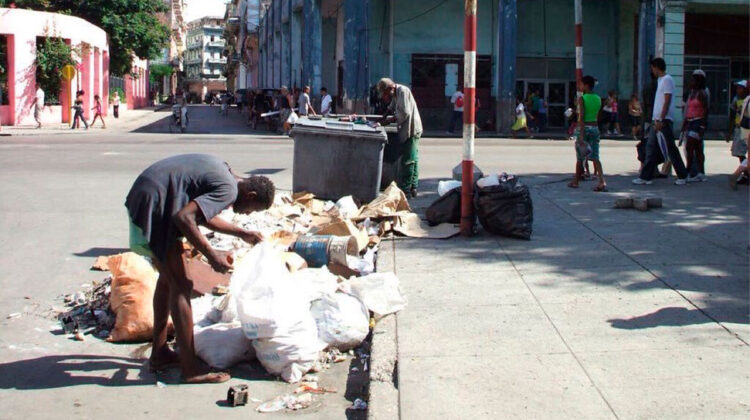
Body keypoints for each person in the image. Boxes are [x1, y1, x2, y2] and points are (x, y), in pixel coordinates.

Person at [125, 154, 274, 384]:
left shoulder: (228, 175)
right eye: (252, 210)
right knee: (182, 284)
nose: (247, 214)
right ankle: (190, 369)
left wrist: (241, 233)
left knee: (169, 279)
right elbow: (185, 218)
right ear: (251, 195)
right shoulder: (229, 191)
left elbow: (199, 215)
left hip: (151, 192)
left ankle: (160, 352)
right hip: (155, 201)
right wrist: (212, 255)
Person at [633, 58, 688, 185]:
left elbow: (667, 101)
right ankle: (645, 177)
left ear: (657, 67)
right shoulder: (660, 80)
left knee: (670, 148)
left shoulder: (667, 79)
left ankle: (682, 175)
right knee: (650, 147)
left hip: (663, 121)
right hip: (656, 120)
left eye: (652, 67)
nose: (652, 70)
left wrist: (661, 119)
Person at [376, 77, 423, 198]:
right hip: (406, 128)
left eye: (386, 93)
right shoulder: (395, 94)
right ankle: (413, 187)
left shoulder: (403, 91)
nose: (386, 96)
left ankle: (406, 189)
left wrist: (389, 120)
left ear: (391, 88)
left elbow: (404, 113)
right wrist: (382, 118)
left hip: (411, 128)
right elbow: (391, 107)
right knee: (413, 158)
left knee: (408, 160)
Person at [569, 75, 607, 191]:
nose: (579, 86)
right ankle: (602, 181)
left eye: (581, 84)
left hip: (585, 128)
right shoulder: (598, 98)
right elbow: (597, 114)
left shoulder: (582, 98)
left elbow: (582, 117)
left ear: (586, 85)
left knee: (580, 157)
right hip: (595, 127)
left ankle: (575, 181)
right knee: (595, 156)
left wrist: (580, 135)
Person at [681, 73, 708, 182]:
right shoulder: (692, 93)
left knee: (690, 148)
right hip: (690, 122)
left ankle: (688, 172)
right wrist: (684, 124)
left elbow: (706, 110)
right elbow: (688, 110)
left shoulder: (701, 94)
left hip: (697, 122)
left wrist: (702, 126)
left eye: (692, 81)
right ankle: (700, 173)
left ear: (698, 82)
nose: (690, 83)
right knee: (696, 148)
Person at [728, 80, 748, 184]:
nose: (738, 90)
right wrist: (729, 131)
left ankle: (745, 174)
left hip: (746, 129)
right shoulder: (736, 99)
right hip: (738, 128)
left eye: (740, 88)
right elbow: (732, 115)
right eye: (737, 88)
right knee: (739, 152)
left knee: (741, 152)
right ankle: (746, 174)